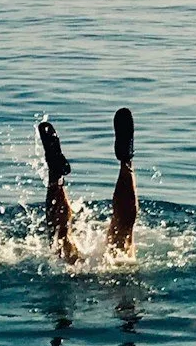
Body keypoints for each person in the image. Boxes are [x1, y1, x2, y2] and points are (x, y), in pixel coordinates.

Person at [38, 110, 137, 260]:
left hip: (73, 278)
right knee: (122, 238)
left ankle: (55, 175)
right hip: (117, 278)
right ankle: (126, 160)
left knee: (61, 241)